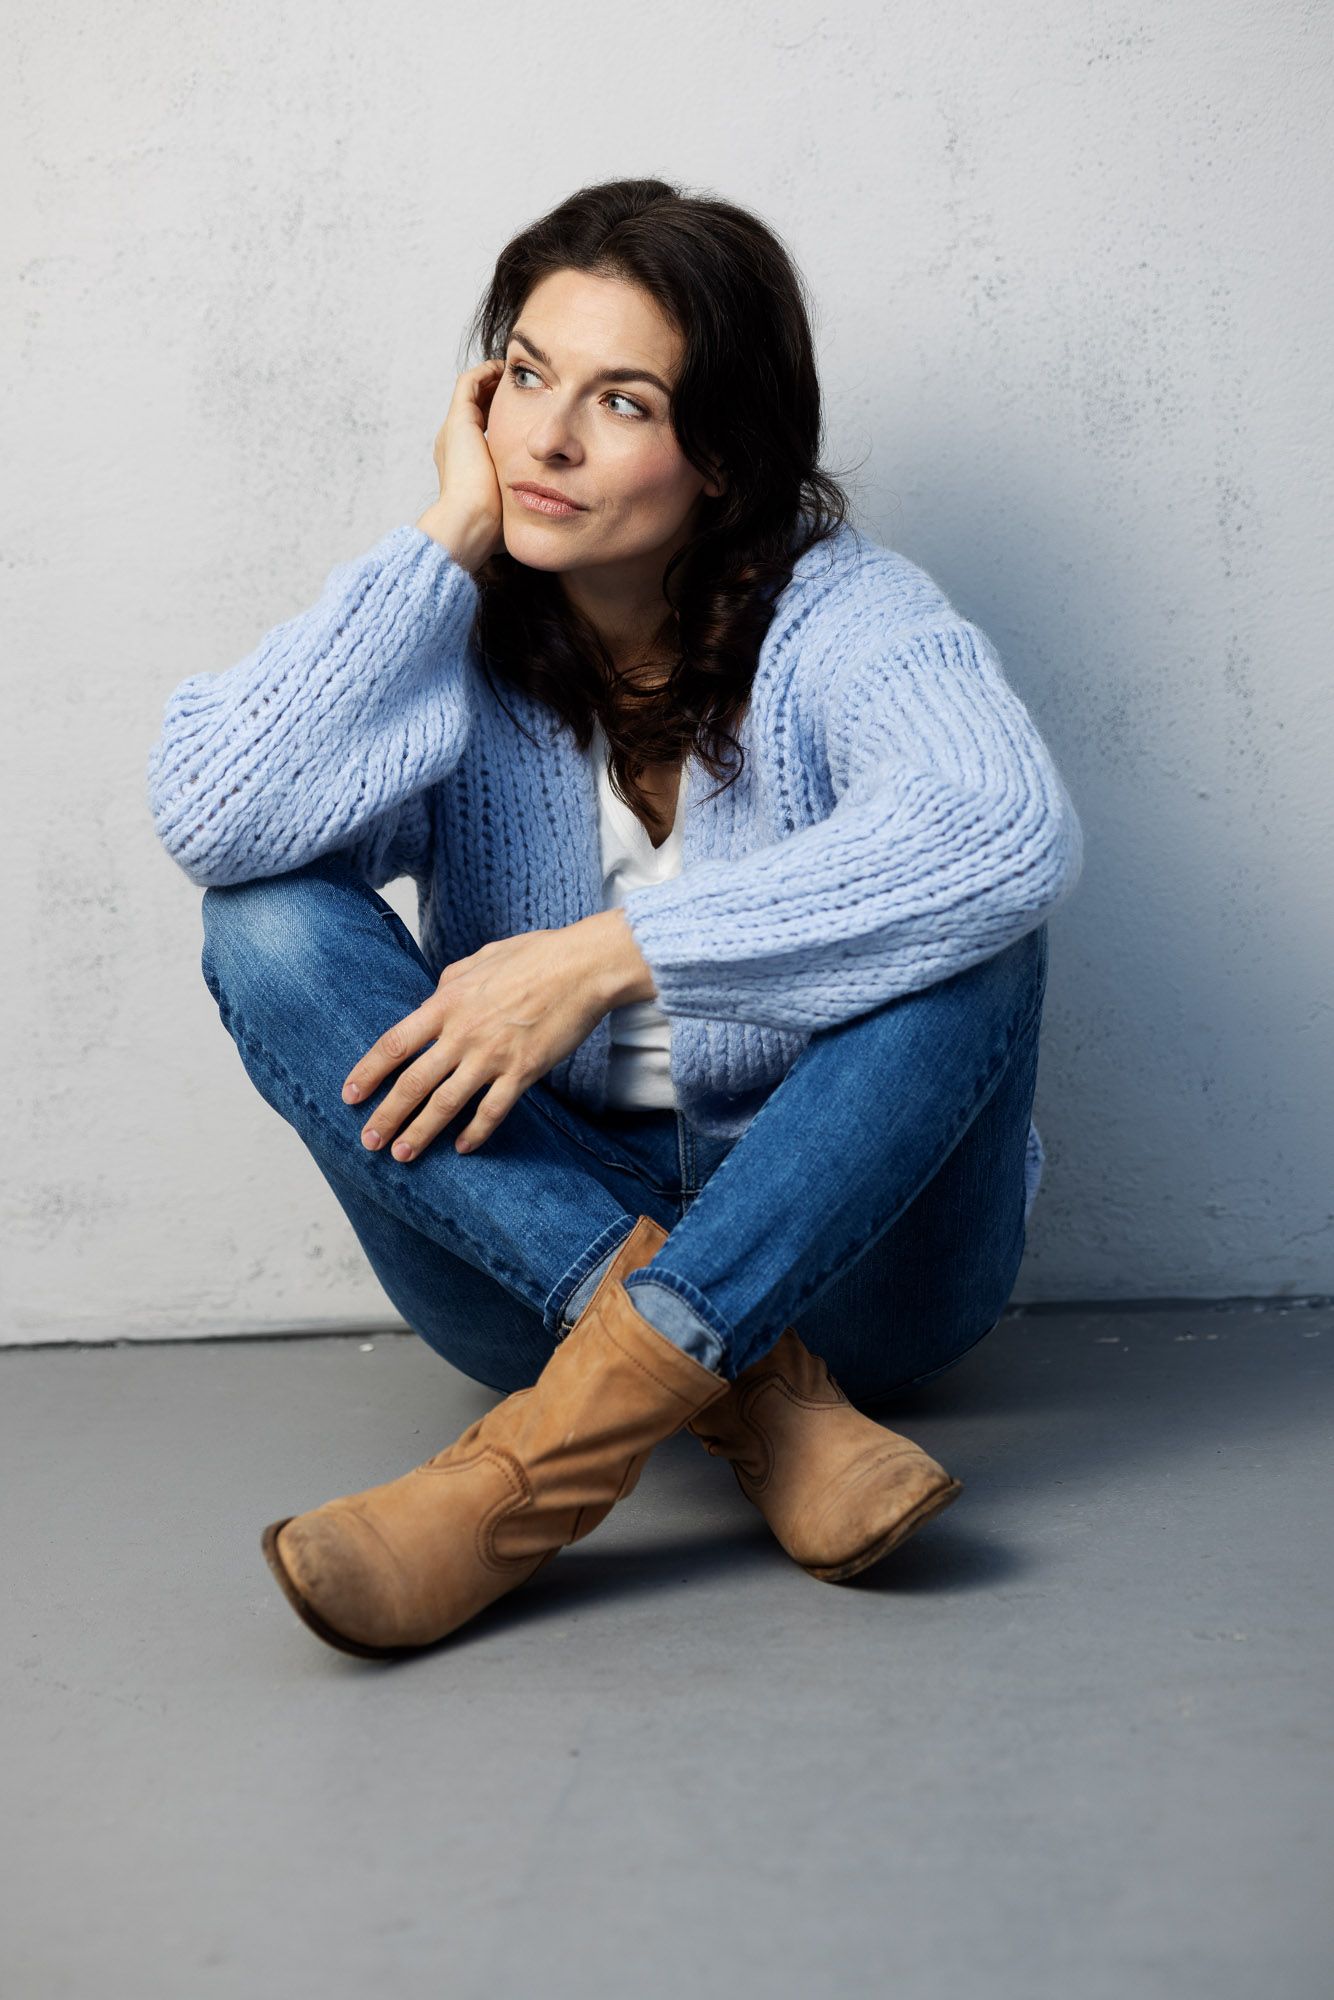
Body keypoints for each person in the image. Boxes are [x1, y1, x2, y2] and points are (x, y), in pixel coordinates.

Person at [146, 177, 1084, 1661]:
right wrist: (442, 535)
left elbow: (1003, 826)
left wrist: (608, 958)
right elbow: (213, 814)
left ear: (723, 456)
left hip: (859, 1262)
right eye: (525, 376)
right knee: (263, 923)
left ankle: (529, 1475)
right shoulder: (451, 633)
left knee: (974, 928)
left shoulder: (846, 616)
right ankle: (761, 1396)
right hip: (532, 1269)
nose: (547, 440)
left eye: (622, 401)